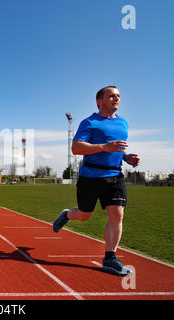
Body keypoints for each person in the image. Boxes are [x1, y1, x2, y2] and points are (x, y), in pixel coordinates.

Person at [53, 86, 141, 276]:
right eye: (111, 95)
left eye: (118, 95)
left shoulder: (123, 123)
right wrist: (103, 146)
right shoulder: (90, 122)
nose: (116, 98)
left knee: (117, 215)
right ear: (99, 101)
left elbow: (116, 148)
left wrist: (126, 158)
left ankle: (110, 258)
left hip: (114, 176)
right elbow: (76, 148)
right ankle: (68, 215)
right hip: (90, 176)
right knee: (84, 215)